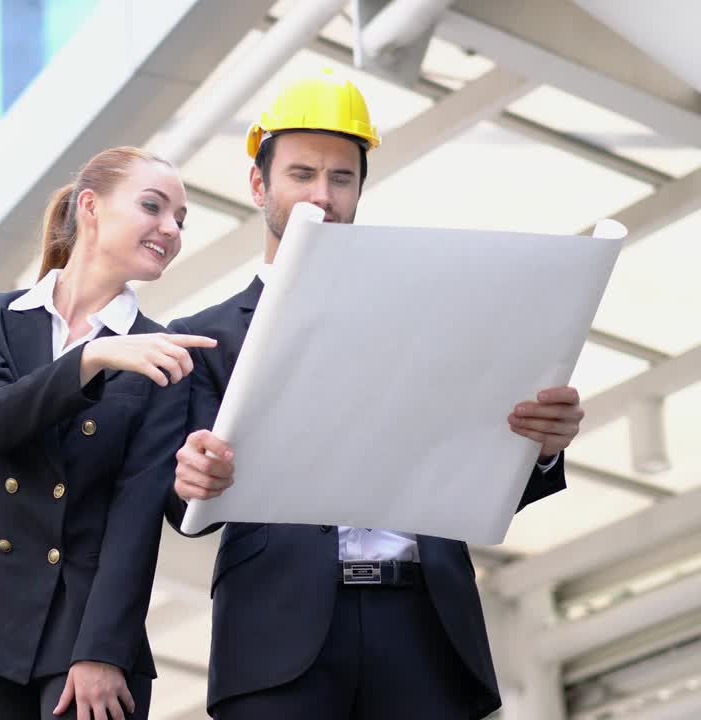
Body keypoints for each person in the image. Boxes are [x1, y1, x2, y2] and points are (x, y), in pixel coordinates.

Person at [162, 70, 586, 719]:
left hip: (424, 628)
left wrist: (544, 449)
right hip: (280, 634)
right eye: (301, 174)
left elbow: (477, 469)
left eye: (341, 178)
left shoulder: (431, 315)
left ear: (361, 187)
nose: (322, 196)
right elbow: (178, 498)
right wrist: (192, 474)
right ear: (259, 184)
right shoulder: (201, 339)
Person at [0, 146, 216, 720]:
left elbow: (137, 511)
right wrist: (91, 359)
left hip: (89, 624)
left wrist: (101, 651)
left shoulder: (161, 353)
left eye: (181, 219)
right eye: (153, 206)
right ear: (90, 206)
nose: (171, 228)